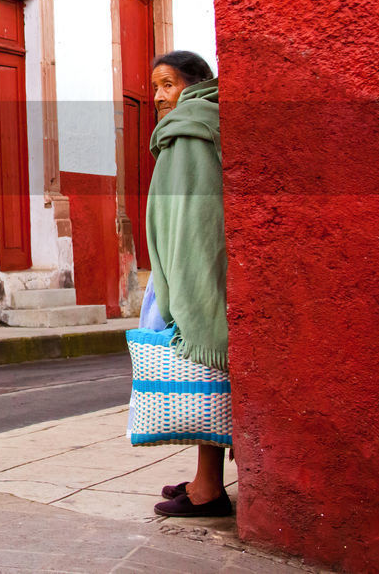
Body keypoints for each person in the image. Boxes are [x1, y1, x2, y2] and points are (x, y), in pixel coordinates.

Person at [145, 50, 232, 518]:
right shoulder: (197, 123)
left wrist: (180, 285)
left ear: (194, 84)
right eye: (155, 86)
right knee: (204, 382)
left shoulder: (188, 133)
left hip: (189, 272)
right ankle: (206, 477)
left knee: (201, 375)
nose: (158, 96)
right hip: (183, 268)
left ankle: (209, 491)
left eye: (168, 84)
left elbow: (192, 217)